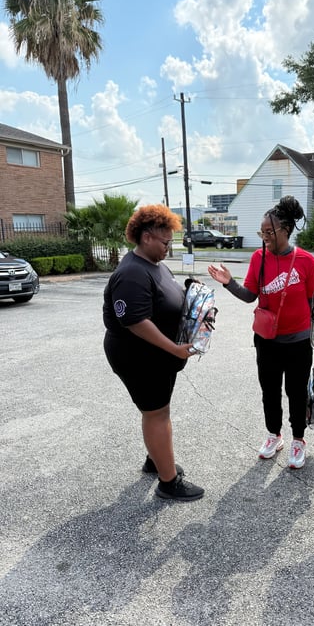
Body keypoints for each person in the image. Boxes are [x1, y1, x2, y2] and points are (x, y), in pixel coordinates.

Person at [208, 196, 314, 469]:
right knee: (269, 391)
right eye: (262, 232)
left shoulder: (306, 260)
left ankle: (298, 439)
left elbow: (313, 302)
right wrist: (228, 283)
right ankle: (274, 435)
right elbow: (249, 296)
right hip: (267, 341)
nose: (264, 237)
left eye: (269, 232)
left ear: (286, 230)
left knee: (296, 392)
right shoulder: (258, 257)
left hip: (298, 342)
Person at [103, 204, 204, 502]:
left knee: (157, 409)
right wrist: (174, 348)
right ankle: (168, 481)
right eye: (165, 242)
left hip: (156, 355)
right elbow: (135, 322)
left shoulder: (155, 264)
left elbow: (168, 297)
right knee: (156, 412)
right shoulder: (132, 273)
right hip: (138, 356)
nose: (168, 248)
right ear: (146, 237)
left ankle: (156, 459)